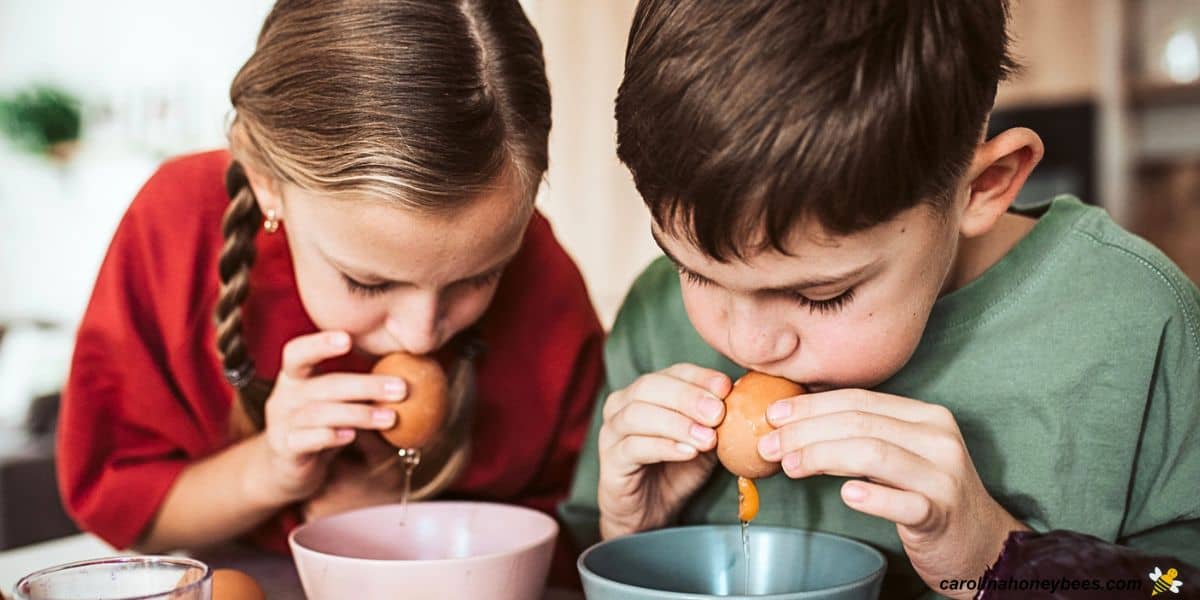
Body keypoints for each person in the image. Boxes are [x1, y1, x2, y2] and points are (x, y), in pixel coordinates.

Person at [560, 1, 1200, 597]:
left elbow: (1176, 584)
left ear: (982, 188)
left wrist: (1001, 558)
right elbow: (568, 559)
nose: (747, 342)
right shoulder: (652, 320)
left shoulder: (1137, 323)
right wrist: (628, 540)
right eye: (694, 272)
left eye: (820, 296)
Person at [57, 0, 603, 585]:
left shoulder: (543, 279)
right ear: (268, 186)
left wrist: (404, 516)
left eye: (478, 277)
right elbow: (124, 516)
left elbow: (579, 536)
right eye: (367, 281)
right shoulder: (176, 228)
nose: (421, 329)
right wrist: (267, 471)